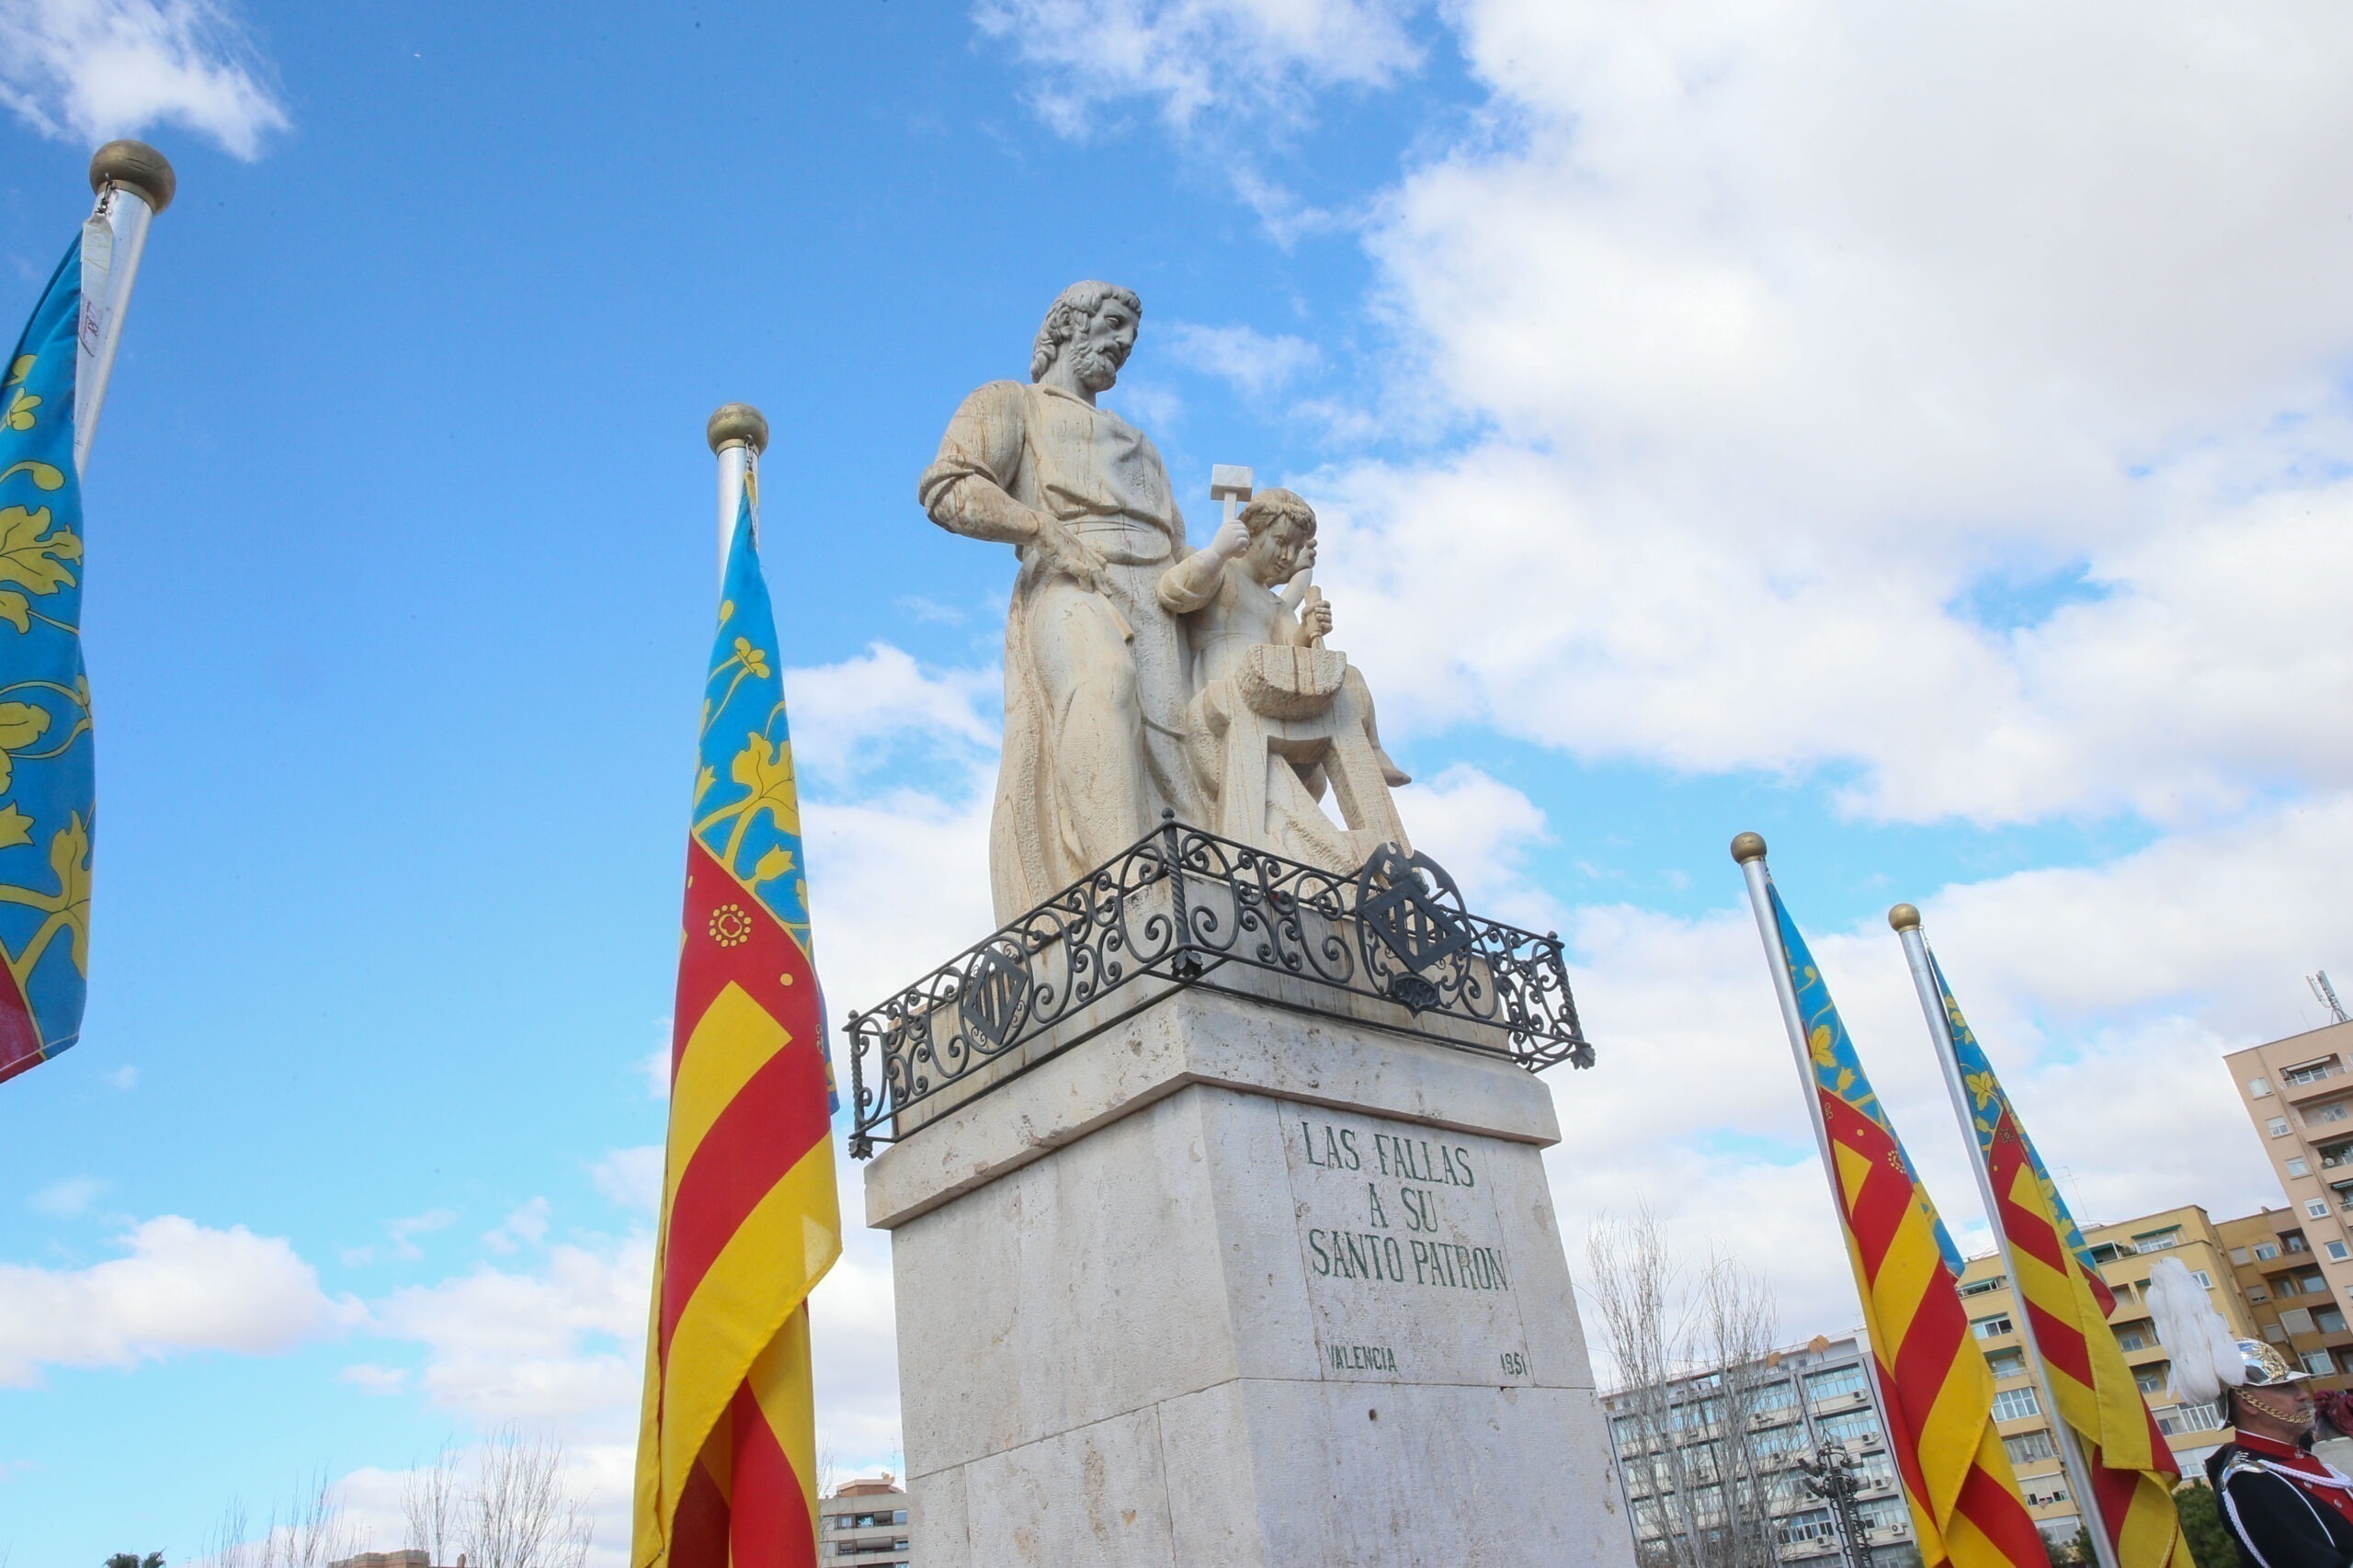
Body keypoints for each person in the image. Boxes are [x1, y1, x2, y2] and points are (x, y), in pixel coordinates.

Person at [918, 281, 1203, 921]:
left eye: (1131, 334)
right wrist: (1042, 530)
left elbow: (1180, 547)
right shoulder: (1010, 403)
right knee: (1102, 683)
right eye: (1110, 324)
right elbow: (950, 489)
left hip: (1159, 596)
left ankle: (1207, 887)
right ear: (1066, 326)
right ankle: (1124, 890)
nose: (1123, 343)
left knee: (1184, 749)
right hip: (1070, 578)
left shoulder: (1143, 445)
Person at [2210, 1339, 2353, 1568]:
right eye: (2284, 1387)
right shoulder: (2249, 1481)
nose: (2302, 1395)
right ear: (2247, 1402)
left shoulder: (2294, 1459)